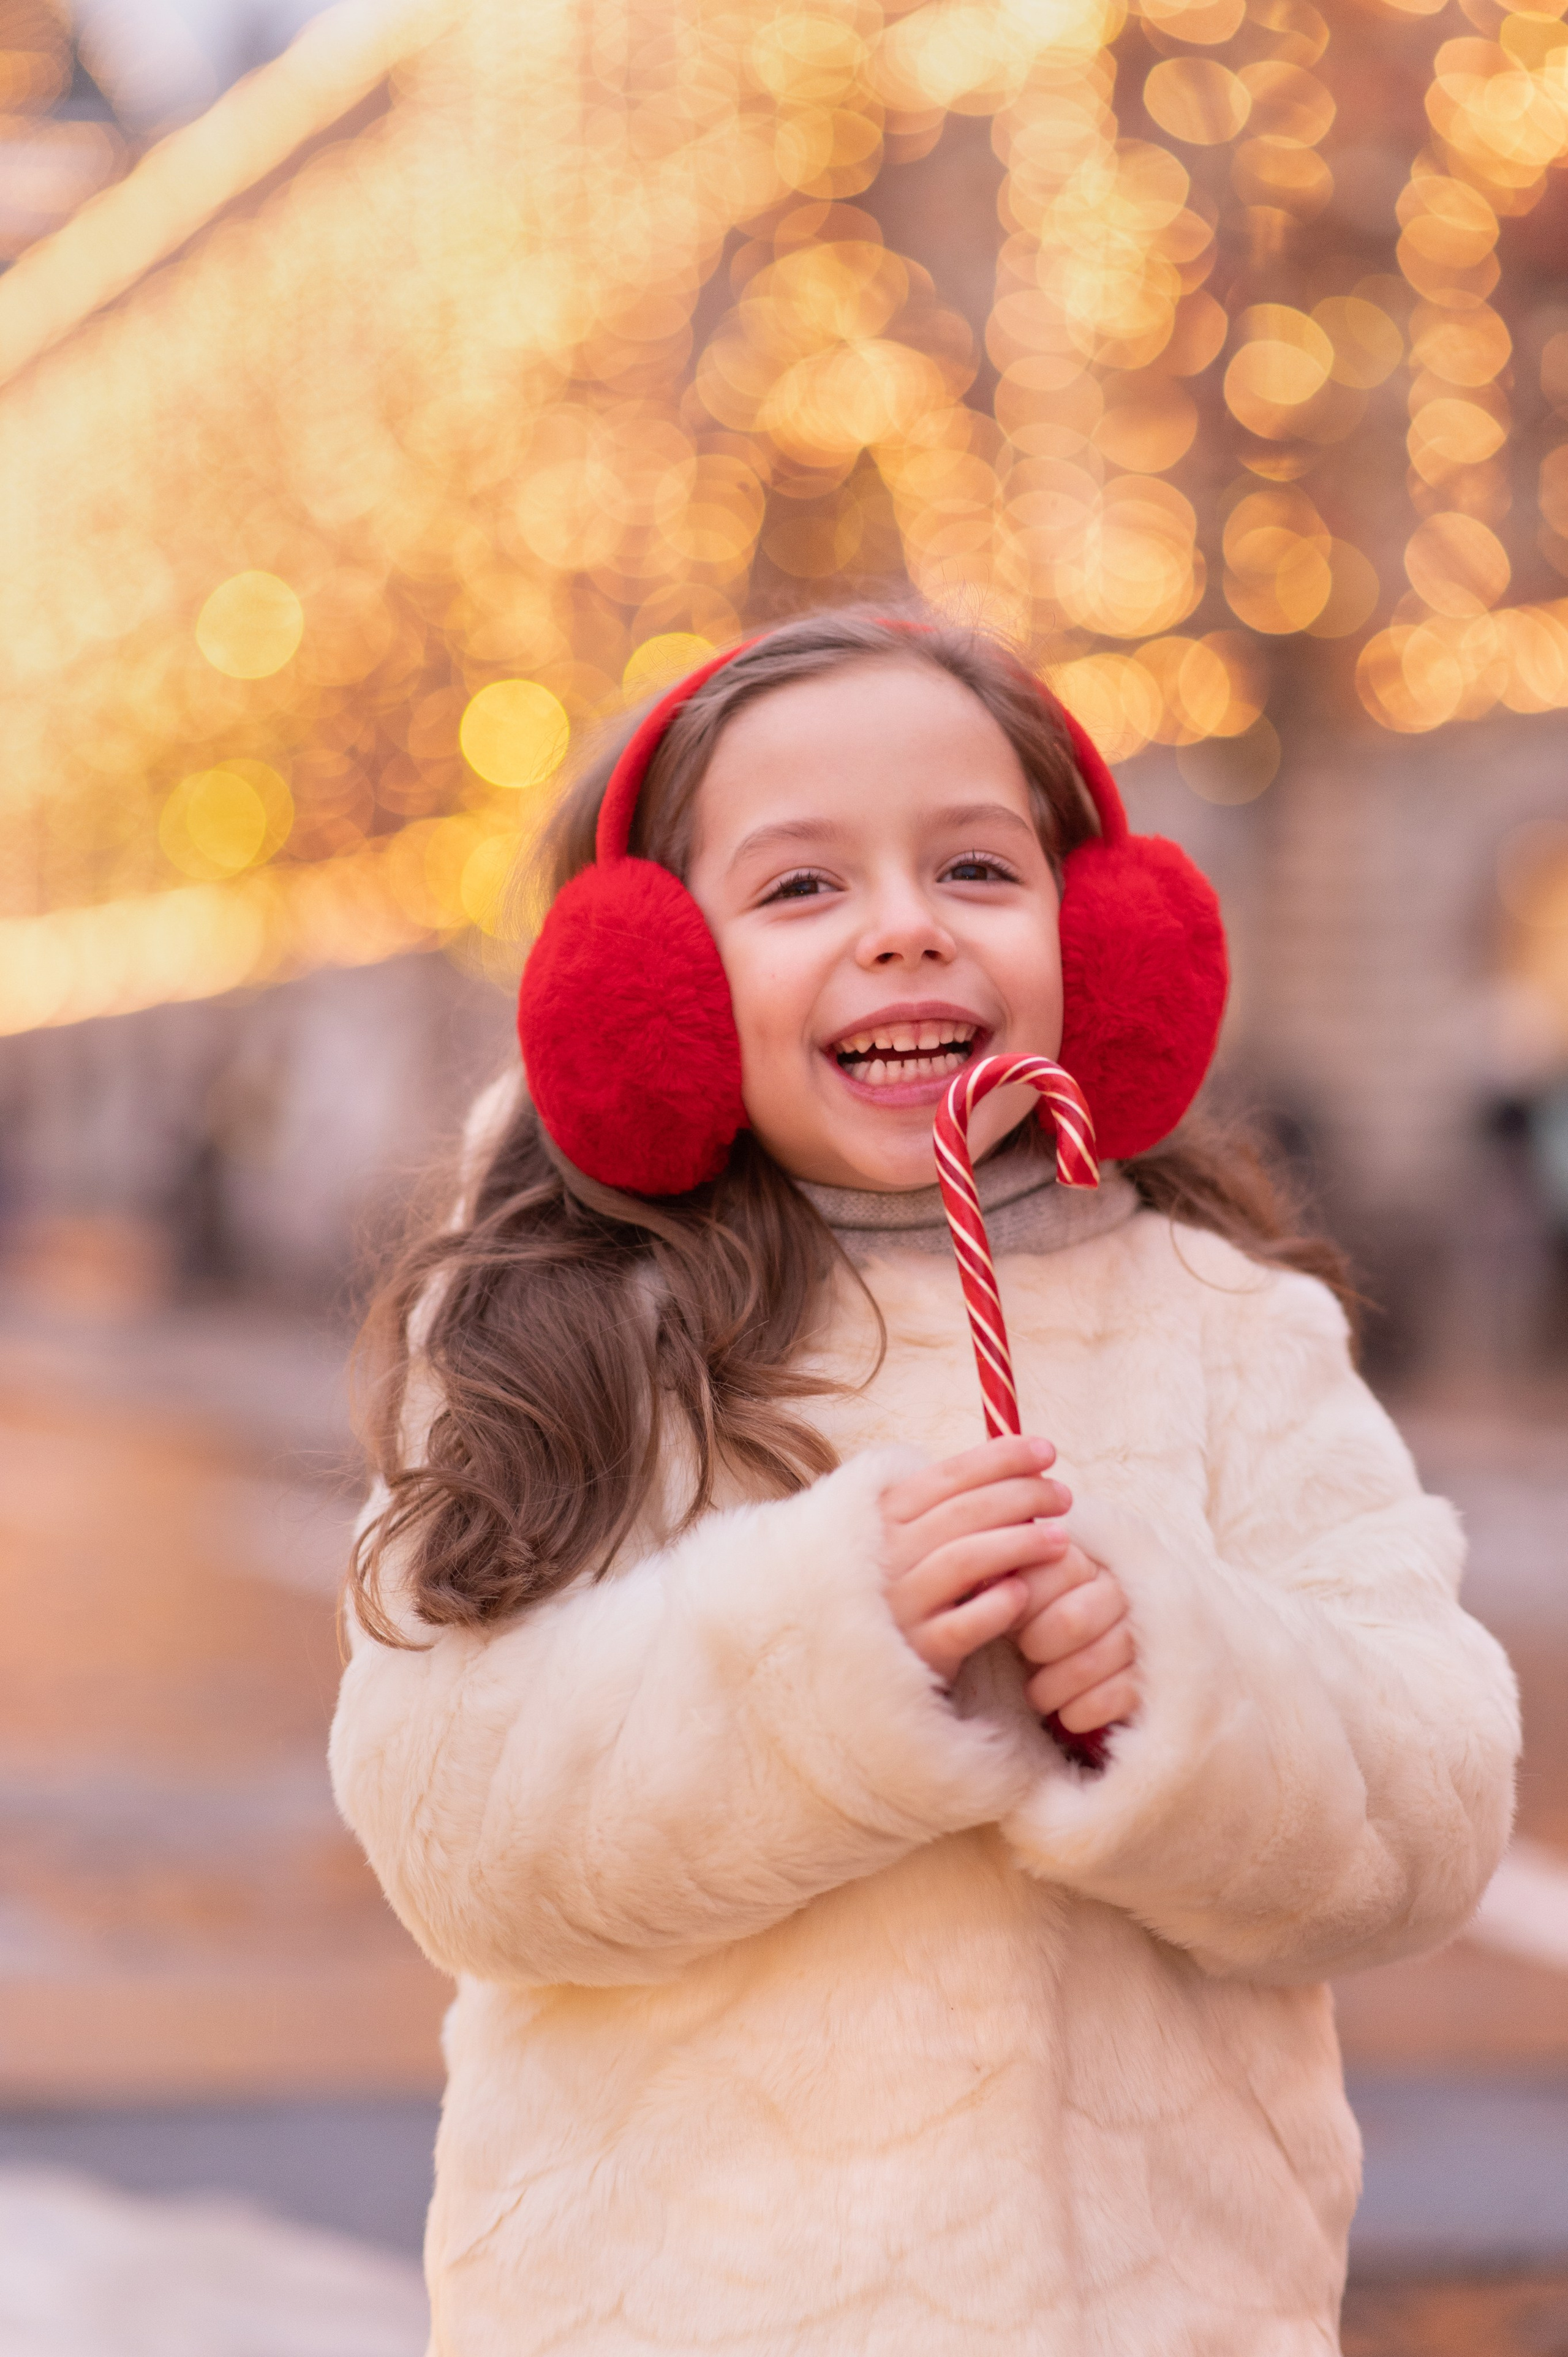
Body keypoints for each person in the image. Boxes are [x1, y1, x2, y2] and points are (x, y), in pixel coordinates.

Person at [331, 608, 1518, 2355]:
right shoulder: (564, 1330)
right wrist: (821, 1651)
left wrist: (1182, 1677)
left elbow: (1431, 1805)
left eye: (975, 866)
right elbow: (458, 1829)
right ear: (647, 981)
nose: (905, 928)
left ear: (1095, 938)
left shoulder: (1226, 1326)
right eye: (801, 889)